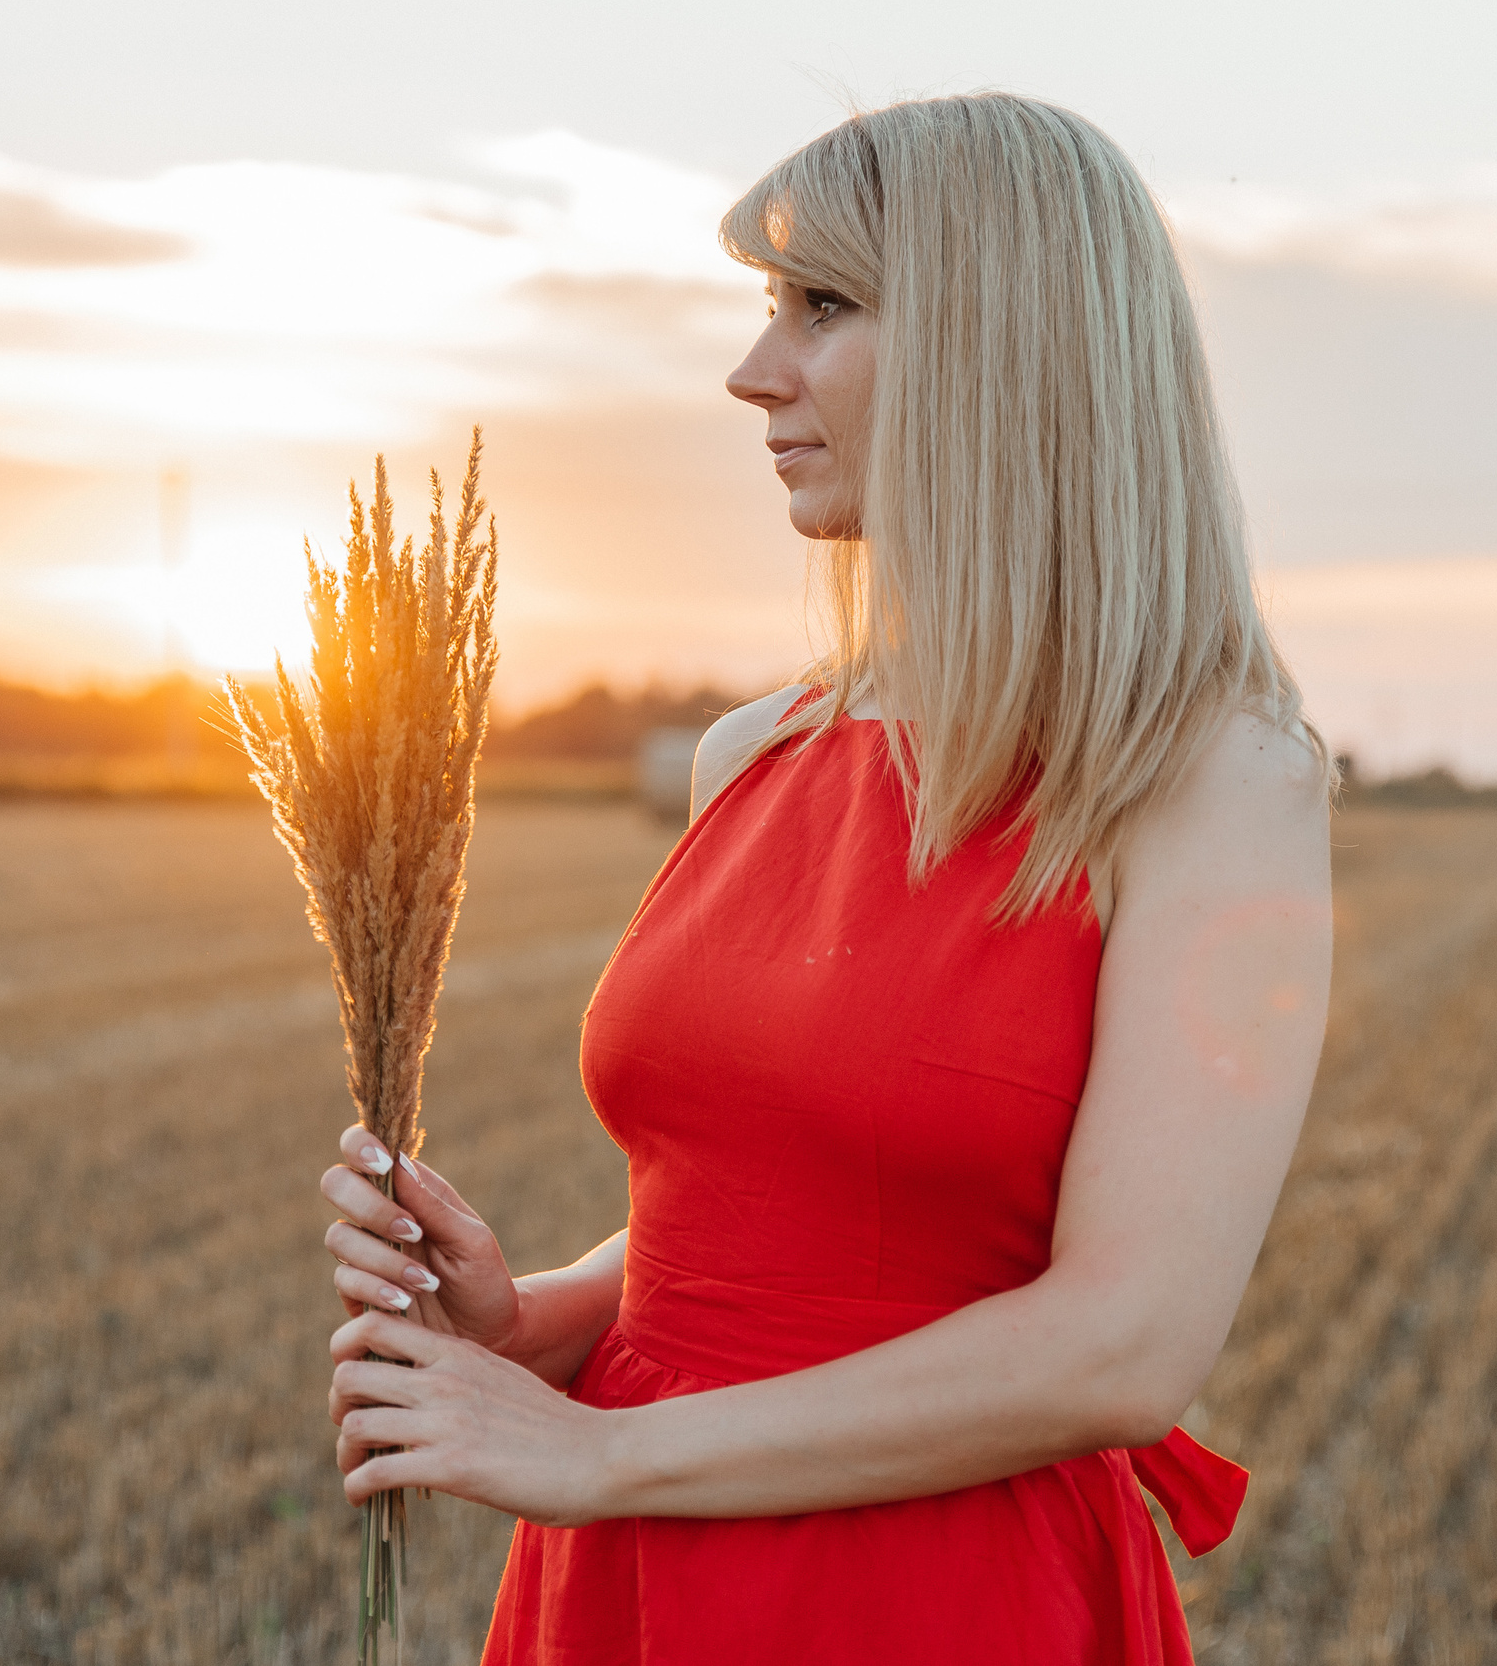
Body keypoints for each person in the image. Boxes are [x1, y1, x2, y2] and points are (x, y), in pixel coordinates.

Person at [318, 92, 1335, 1664]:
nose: (753, 370)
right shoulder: (757, 751)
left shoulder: (1213, 778)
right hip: (636, 1583)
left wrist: (601, 1457)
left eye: (826, 303)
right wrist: (536, 1322)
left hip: (932, 1593)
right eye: (767, 305)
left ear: (1003, 343)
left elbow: (1125, 1344)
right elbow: (759, 1226)